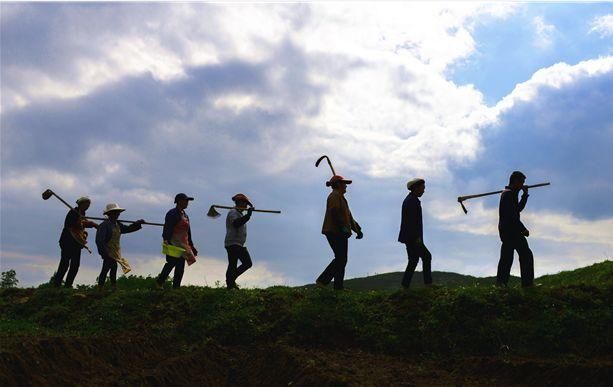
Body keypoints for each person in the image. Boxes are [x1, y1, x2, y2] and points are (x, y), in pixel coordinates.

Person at [316, 175, 363, 290]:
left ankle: (338, 287)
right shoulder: (334, 197)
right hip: (334, 232)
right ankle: (322, 281)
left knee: (342, 259)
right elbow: (335, 213)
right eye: (344, 184)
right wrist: (344, 228)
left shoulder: (341, 198)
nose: (346, 186)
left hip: (340, 232)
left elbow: (348, 218)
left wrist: (357, 229)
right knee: (341, 258)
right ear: (338, 185)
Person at [497, 171, 534, 288]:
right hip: (511, 231)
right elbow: (512, 216)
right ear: (515, 182)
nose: (523, 184)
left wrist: (525, 194)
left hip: (507, 231)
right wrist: (523, 229)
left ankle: (501, 284)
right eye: (522, 182)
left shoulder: (509, 194)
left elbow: (517, 209)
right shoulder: (508, 195)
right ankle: (527, 284)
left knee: (506, 258)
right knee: (526, 255)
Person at [95, 203, 144, 290]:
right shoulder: (104, 225)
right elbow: (99, 240)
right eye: (116, 212)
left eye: (118, 212)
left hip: (115, 251)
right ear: (110, 214)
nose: (118, 214)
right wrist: (104, 252)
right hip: (107, 251)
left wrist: (137, 224)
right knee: (107, 267)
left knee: (112, 267)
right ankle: (103, 286)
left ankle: (109, 286)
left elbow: (128, 229)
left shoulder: (117, 224)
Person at [54, 196, 98, 288]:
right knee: (64, 264)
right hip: (67, 241)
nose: (88, 206)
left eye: (89, 205)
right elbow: (70, 224)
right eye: (86, 204)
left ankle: (68, 285)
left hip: (77, 243)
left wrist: (92, 224)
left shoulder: (82, 213)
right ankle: (57, 285)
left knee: (75, 265)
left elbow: (84, 223)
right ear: (81, 204)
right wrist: (89, 224)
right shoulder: (73, 212)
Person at [156, 193, 198, 289]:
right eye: (185, 200)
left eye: (188, 201)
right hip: (173, 242)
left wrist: (191, 245)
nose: (187, 203)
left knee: (180, 266)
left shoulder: (185, 215)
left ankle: (176, 287)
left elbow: (188, 232)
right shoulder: (172, 213)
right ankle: (159, 282)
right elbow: (167, 228)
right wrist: (165, 239)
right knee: (171, 263)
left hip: (182, 244)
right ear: (179, 201)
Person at [398, 178, 432, 289]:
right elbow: (412, 222)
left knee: (413, 260)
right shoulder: (412, 201)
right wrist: (417, 237)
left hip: (410, 237)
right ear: (416, 188)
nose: (423, 191)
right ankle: (428, 284)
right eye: (422, 188)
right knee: (426, 256)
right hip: (413, 237)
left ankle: (405, 286)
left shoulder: (410, 200)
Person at [224, 193, 254, 289]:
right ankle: (230, 282)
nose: (246, 206)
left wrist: (246, 216)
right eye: (245, 204)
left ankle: (231, 281)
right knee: (234, 264)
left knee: (245, 263)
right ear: (239, 203)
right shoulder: (233, 212)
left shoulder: (240, 213)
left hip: (239, 243)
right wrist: (248, 216)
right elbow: (236, 224)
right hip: (232, 243)